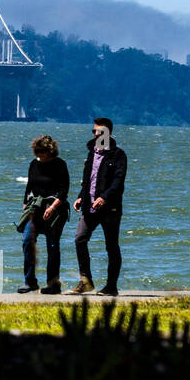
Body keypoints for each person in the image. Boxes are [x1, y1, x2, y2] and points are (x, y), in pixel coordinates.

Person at [69, 117, 128, 296]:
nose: (95, 134)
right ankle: (86, 282)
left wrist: (104, 198)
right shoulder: (91, 153)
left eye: (99, 132)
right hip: (89, 206)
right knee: (80, 239)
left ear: (108, 133)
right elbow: (88, 180)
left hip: (110, 209)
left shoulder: (118, 155)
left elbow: (118, 181)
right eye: (94, 131)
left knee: (111, 246)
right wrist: (80, 197)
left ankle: (111, 287)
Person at [18, 135, 70, 294]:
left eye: (42, 151)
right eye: (37, 151)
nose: (39, 154)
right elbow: (29, 187)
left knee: (52, 246)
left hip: (55, 210)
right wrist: (25, 206)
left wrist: (53, 208)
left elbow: (64, 190)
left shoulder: (60, 165)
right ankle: (30, 282)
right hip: (35, 209)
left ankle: (53, 285)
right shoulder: (33, 164)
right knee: (27, 241)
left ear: (50, 150)